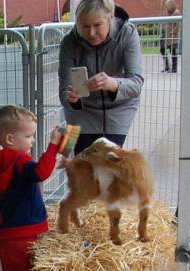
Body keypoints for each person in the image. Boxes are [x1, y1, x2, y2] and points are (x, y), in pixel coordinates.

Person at [0, 106, 64, 271]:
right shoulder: (19, 161)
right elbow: (41, 172)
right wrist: (52, 147)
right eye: (28, 136)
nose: (32, 141)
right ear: (10, 139)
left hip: (8, 237)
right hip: (30, 233)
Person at [58, 0, 144, 155]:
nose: (91, 33)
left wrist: (112, 83)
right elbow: (64, 91)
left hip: (118, 110)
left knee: (109, 162)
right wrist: (71, 98)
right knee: (82, 164)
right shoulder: (69, 42)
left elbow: (136, 84)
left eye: (97, 25)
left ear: (110, 17)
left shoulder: (128, 34)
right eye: (85, 26)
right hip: (82, 113)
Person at [160, 0, 180, 73]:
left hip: (172, 37)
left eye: (167, 6)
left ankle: (174, 68)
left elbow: (178, 24)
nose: (166, 8)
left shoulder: (176, 13)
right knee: (162, 50)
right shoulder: (168, 14)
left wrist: (173, 32)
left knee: (173, 52)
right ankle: (167, 66)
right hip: (166, 36)